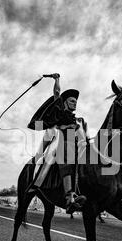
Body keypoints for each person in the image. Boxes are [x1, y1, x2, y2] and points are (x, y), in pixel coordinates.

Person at [27, 73, 87, 214]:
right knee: (65, 154)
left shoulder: (78, 119)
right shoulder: (59, 111)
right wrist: (57, 80)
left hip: (76, 146)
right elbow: (57, 92)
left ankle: (112, 197)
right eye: (72, 101)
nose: (75, 103)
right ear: (65, 102)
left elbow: (84, 138)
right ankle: (69, 197)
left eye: (76, 102)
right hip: (59, 143)